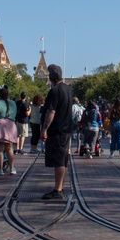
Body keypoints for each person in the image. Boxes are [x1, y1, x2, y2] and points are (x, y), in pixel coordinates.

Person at [40, 64, 74, 200]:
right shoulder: (68, 89)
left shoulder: (54, 91)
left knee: (59, 160)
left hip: (58, 130)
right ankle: (59, 187)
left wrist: (44, 129)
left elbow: (51, 111)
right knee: (63, 160)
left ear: (51, 77)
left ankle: (58, 190)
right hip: (66, 130)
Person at [0, 85, 19, 175]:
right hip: (11, 126)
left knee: (0, 150)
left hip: (0, 126)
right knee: (9, 149)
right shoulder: (13, 103)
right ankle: (12, 168)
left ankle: (0, 169)